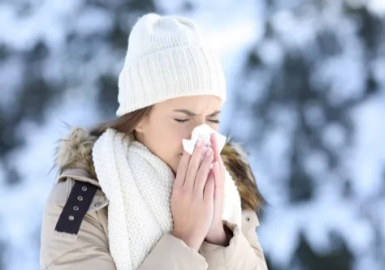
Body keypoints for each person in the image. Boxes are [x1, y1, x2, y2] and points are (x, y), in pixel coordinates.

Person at [40, 13, 268, 270]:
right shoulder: (81, 200)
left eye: (213, 118)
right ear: (139, 118)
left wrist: (217, 234)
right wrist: (185, 238)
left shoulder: (229, 188)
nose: (201, 136)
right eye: (182, 119)